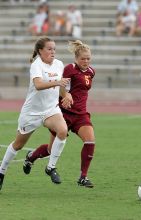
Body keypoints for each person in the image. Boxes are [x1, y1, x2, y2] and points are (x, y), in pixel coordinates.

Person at [0, 37, 72, 190]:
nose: (52, 51)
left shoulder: (59, 64)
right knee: (18, 145)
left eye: (54, 49)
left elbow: (61, 87)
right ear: (40, 51)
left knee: (63, 131)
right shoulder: (36, 65)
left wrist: (66, 95)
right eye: (49, 49)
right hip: (32, 113)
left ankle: (51, 167)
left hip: (51, 110)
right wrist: (57, 83)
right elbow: (38, 85)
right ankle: (1, 172)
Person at [23, 40, 96, 188]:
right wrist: (66, 95)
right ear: (76, 58)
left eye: (88, 58)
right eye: (83, 58)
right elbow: (60, 85)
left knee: (90, 141)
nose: (86, 61)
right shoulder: (69, 69)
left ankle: (83, 177)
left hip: (81, 114)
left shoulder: (91, 72)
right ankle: (31, 157)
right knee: (51, 150)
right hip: (63, 113)